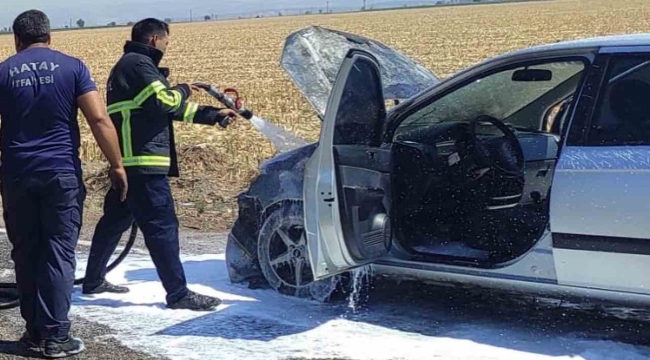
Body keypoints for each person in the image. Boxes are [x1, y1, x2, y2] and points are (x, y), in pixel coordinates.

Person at [81, 18, 236, 311]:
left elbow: (160, 109)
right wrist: (184, 88)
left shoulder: (127, 66)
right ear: (154, 39)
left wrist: (212, 115)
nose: (166, 46)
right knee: (162, 226)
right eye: (166, 41)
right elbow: (166, 101)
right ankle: (178, 294)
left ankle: (92, 280)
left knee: (114, 221)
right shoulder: (139, 65)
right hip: (144, 165)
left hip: (127, 162)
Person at [0, 9, 128, 358]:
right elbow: (98, 119)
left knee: (26, 252)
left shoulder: (3, 72)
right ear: (49, 37)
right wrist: (117, 166)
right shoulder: (73, 67)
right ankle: (57, 337)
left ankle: (33, 333)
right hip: (61, 174)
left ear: (17, 40)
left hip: (16, 175)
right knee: (58, 252)